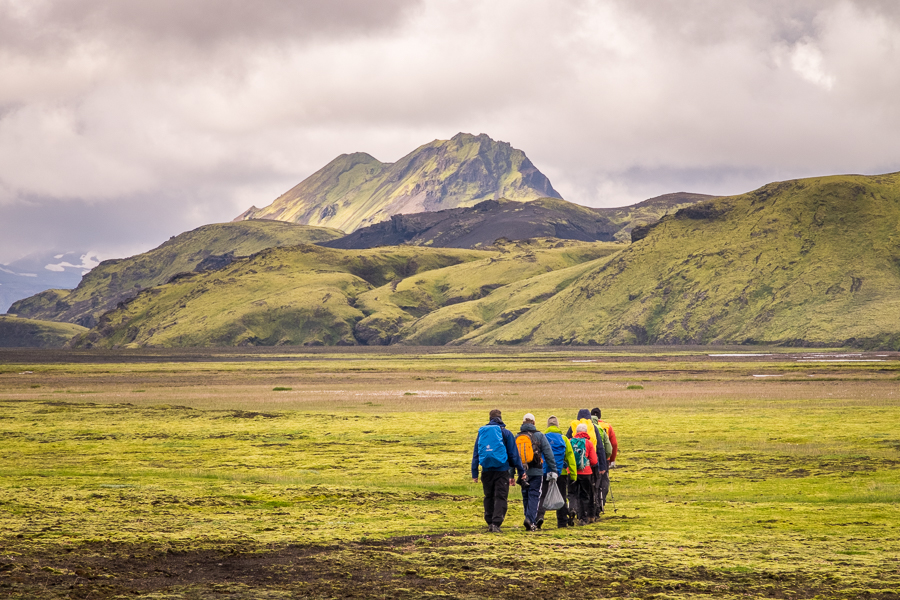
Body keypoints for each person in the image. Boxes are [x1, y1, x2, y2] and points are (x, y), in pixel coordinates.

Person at [472, 409, 526, 533]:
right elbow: (514, 455)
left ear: (489, 418)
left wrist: (474, 472)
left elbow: (476, 453)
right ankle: (497, 523)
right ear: (500, 418)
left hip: (486, 470)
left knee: (488, 496)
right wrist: (520, 470)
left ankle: (490, 522)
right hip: (502, 470)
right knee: (500, 496)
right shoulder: (506, 433)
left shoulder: (482, 433)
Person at [516, 413, 556, 531]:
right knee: (534, 495)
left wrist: (511, 473)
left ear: (523, 422)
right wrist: (554, 469)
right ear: (534, 422)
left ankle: (528, 517)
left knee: (525, 495)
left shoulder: (517, 436)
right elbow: (549, 454)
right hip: (537, 471)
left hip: (523, 472)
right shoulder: (539, 435)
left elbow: (513, 456)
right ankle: (530, 521)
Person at [536, 415, 577, 528]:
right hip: (561, 473)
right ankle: (562, 521)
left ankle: (539, 516)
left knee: (542, 495)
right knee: (561, 497)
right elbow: (570, 458)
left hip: (544, 471)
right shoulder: (564, 439)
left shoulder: (542, 437)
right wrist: (573, 475)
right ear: (558, 426)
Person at [566, 409, 606, 521]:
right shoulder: (592, 428)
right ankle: (588, 516)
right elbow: (600, 448)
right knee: (588, 493)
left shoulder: (573, 427)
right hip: (587, 470)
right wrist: (601, 466)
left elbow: (566, 448)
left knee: (573, 493)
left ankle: (574, 510)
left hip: (572, 470)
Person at [569, 423, 599, 526]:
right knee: (584, 495)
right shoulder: (588, 443)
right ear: (586, 432)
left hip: (571, 472)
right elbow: (594, 461)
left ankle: (572, 510)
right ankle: (583, 518)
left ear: (576, 432)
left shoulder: (570, 442)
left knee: (572, 494)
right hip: (585, 472)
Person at [591, 407, 613, 513]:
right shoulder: (606, 427)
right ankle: (601, 502)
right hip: (602, 458)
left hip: (587, 461)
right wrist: (609, 459)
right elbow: (612, 445)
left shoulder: (583, 426)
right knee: (603, 482)